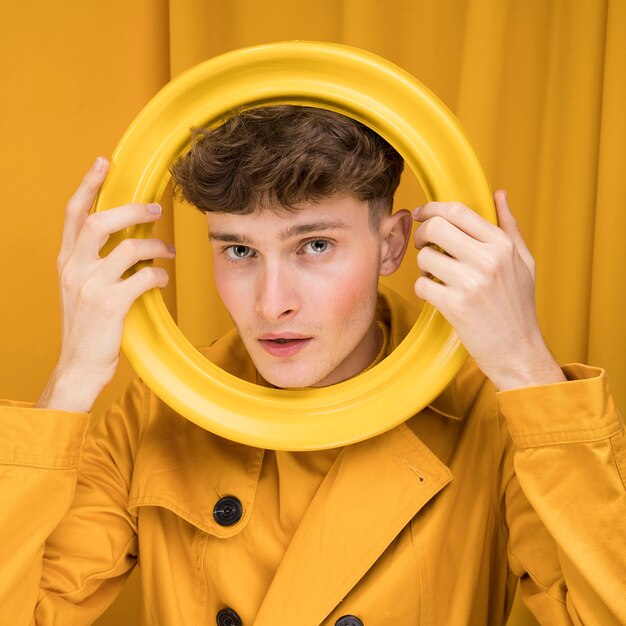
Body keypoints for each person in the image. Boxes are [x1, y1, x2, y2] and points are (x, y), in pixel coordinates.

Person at [1, 105, 624, 626]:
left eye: (315, 245)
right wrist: (72, 381)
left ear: (393, 246)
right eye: (240, 250)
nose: (273, 303)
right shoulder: (161, 410)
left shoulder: (494, 417)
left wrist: (525, 366)